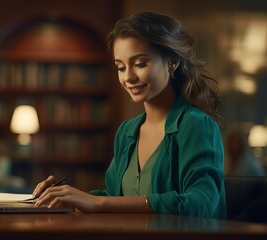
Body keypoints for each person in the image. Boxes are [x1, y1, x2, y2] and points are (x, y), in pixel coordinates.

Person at [32, 12, 227, 219]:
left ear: (172, 63)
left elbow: (201, 203)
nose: (128, 77)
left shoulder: (196, 124)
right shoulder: (127, 131)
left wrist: (98, 202)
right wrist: (66, 196)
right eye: (121, 67)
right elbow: (113, 198)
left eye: (140, 63)